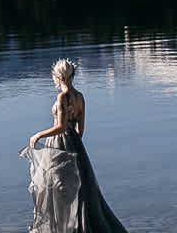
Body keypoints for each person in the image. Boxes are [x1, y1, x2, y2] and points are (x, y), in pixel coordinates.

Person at [22, 58, 128, 233]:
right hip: (76, 145)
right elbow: (81, 130)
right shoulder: (80, 97)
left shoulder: (62, 96)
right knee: (82, 191)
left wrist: (39, 135)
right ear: (73, 75)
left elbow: (61, 126)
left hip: (59, 146)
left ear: (58, 77)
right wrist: (73, 143)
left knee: (60, 191)